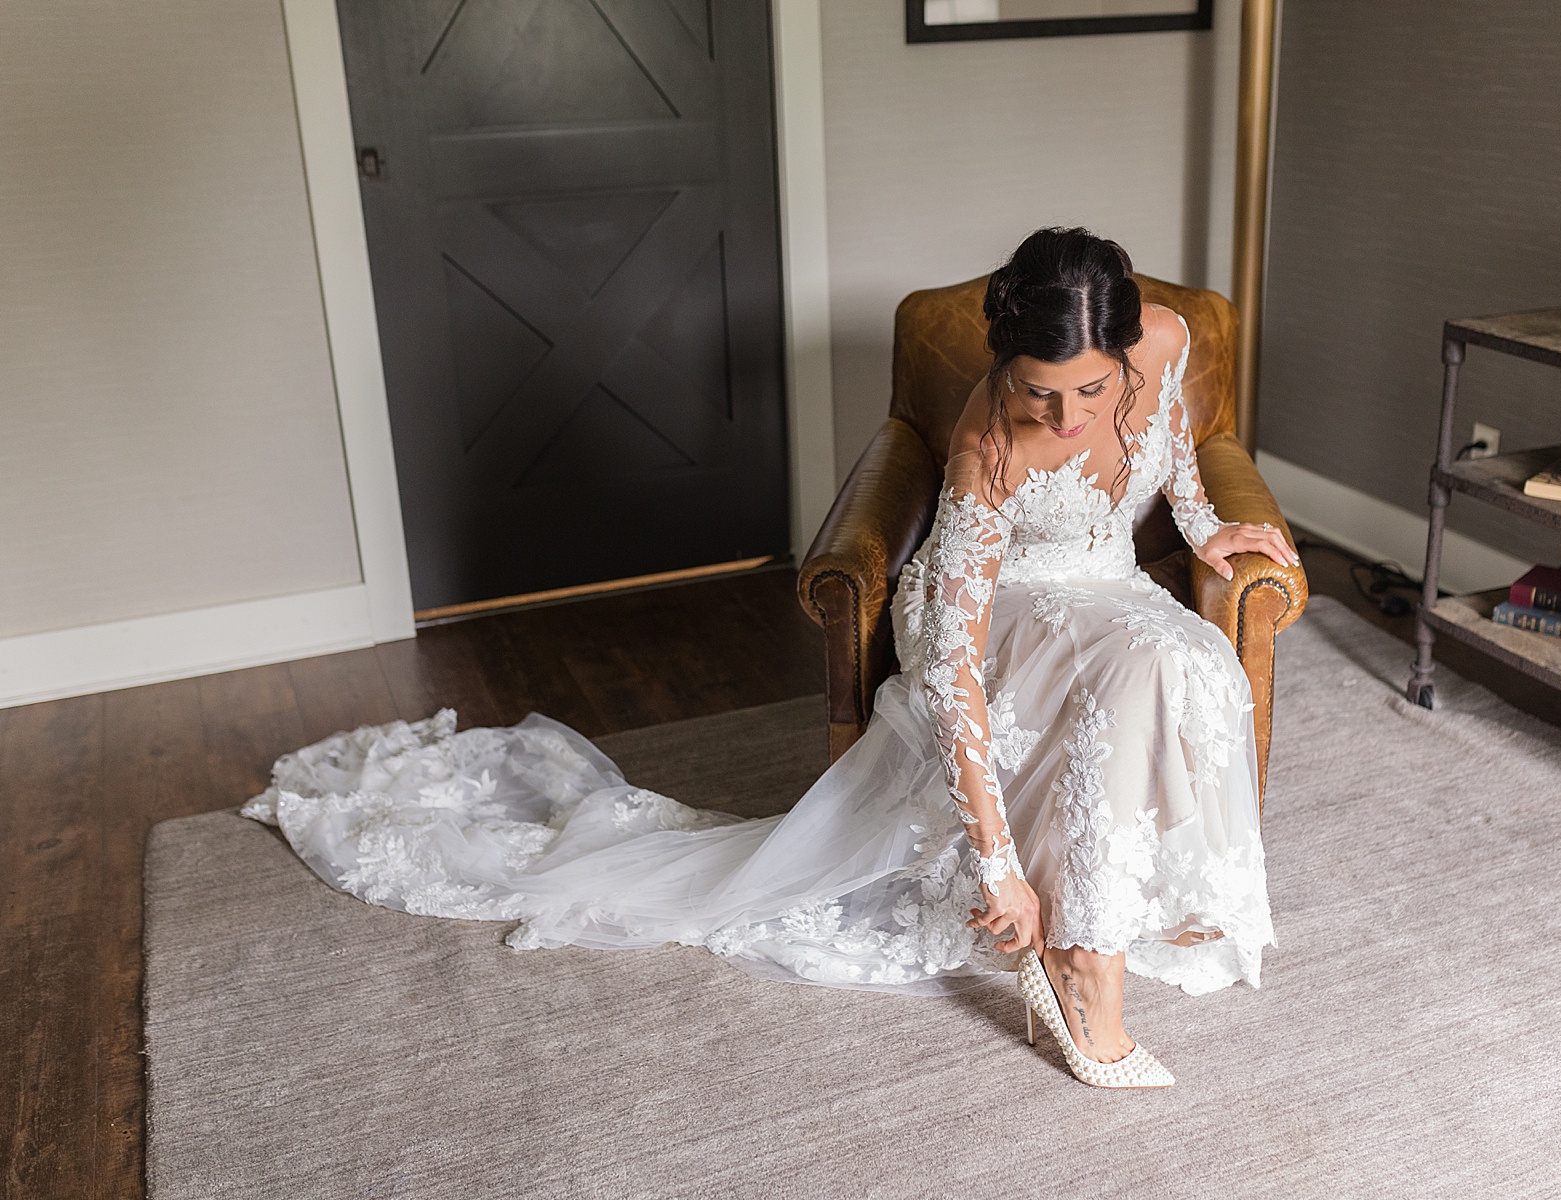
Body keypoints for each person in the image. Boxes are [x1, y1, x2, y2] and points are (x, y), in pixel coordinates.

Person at [245, 227, 1297, 1090]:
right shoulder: (986, 446)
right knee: (1142, 669)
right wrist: (996, 868)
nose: (1065, 421)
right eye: (1037, 396)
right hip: (996, 605)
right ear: (1003, 371)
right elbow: (954, 672)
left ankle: (1107, 915)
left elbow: (1181, 455)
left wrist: (1204, 532)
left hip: (1104, 578)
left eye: (1088, 392)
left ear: (1128, 350)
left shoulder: (1163, 341)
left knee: (1189, 651)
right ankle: (1084, 964)